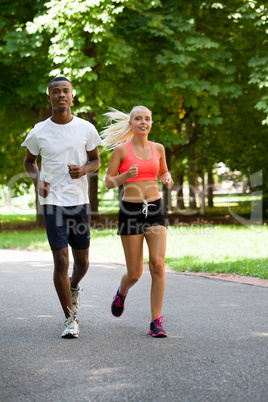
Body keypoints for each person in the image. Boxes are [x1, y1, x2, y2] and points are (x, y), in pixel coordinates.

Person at [22, 77, 103, 338]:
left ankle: (74, 286)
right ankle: (70, 319)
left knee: (82, 262)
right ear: (49, 97)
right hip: (53, 203)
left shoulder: (86, 128)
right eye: (55, 92)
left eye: (65, 91)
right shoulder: (38, 131)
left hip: (79, 202)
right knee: (60, 259)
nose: (61, 95)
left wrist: (84, 170)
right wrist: (38, 181)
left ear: (72, 96)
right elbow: (29, 162)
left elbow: (96, 160)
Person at [102, 105, 174, 337]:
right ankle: (121, 293)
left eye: (147, 119)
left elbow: (163, 172)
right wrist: (125, 176)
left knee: (158, 264)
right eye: (138, 119)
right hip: (131, 211)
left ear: (151, 123)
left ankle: (156, 321)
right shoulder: (122, 150)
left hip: (154, 208)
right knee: (135, 273)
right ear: (131, 123)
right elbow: (108, 182)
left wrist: (167, 177)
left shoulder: (159, 148)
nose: (144, 122)